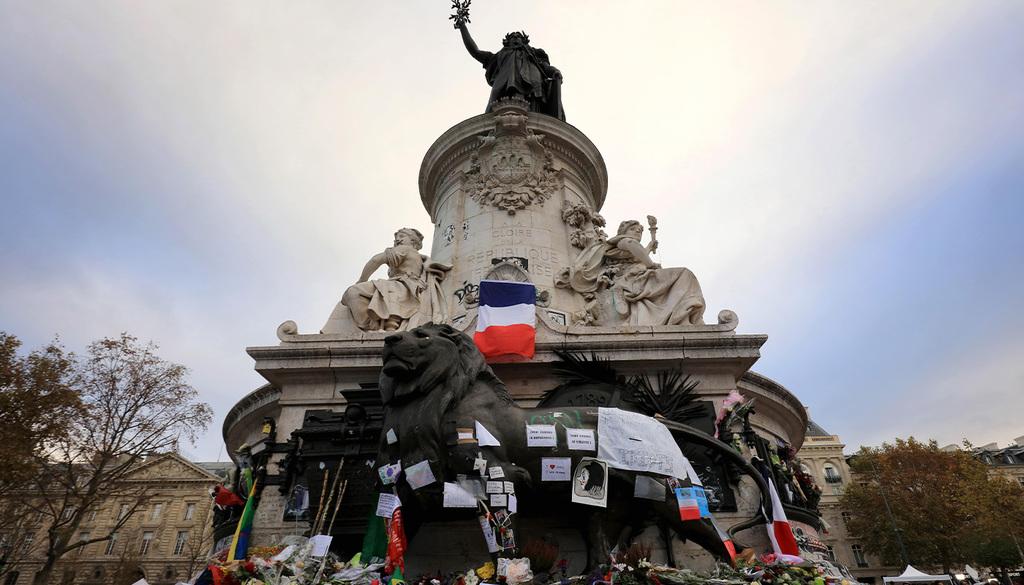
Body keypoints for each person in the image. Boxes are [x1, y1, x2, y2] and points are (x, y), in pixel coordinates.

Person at [558, 220, 706, 326]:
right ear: (623, 232)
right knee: (684, 275)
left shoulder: (625, 247)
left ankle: (683, 316)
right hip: (632, 280)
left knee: (684, 276)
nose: (638, 231)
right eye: (633, 229)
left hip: (640, 277)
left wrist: (648, 248)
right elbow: (632, 246)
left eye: (640, 231)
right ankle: (683, 315)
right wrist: (651, 264)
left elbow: (635, 254)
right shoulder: (622, 241)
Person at [342, 228, 451, 331]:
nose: (397, 240)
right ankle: (374, 326)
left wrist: (361, 280)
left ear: (412, 241)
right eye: (396, 238)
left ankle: (371, 326)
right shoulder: (417, 256)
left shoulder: (405, 249)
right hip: (404, 287)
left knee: (353, 292)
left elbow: (376, 260)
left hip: (400, 287)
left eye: (402, 236)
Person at [457, 21, 565, 121]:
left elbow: (545, 67)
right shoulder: (498, 56)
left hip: (533, 88)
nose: (516, 38)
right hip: (504, 88)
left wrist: (555, 71)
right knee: (498, 113)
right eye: (513, 37)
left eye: (518, 37)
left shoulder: (534, 53)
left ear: (524, 40)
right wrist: (463, 27)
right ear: (507, 41)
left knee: (534, 117)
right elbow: (475, 52)